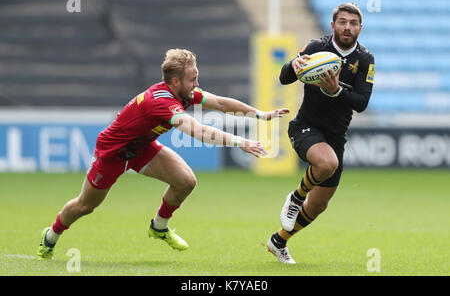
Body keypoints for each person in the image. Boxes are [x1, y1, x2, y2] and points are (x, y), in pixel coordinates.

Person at [37, 48, 289, 260]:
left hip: (142, 149)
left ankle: (159, 227)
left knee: (186, 181)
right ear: (176, 82)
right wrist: (239, 141)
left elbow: (221, 103)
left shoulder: (185, 93)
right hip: (112, 154)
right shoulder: (162, 102)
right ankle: (51, 235)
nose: (197, 84)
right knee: (86, 205)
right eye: (193, 79)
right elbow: (196, 130)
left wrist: (260, 115)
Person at [266, 3, 375, 263]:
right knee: (327, 163)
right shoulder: (316, 48)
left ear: (360, 28)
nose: (347, 27)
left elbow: (361, 102)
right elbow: (283, 78)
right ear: (333, 25)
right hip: (306, 126)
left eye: (353, 23)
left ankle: (278, 241)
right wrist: (294, 64)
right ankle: (295, 197)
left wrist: (336, 91)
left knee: (318, 205)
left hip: (336, 136)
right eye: (342, 22)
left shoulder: (365, 59)